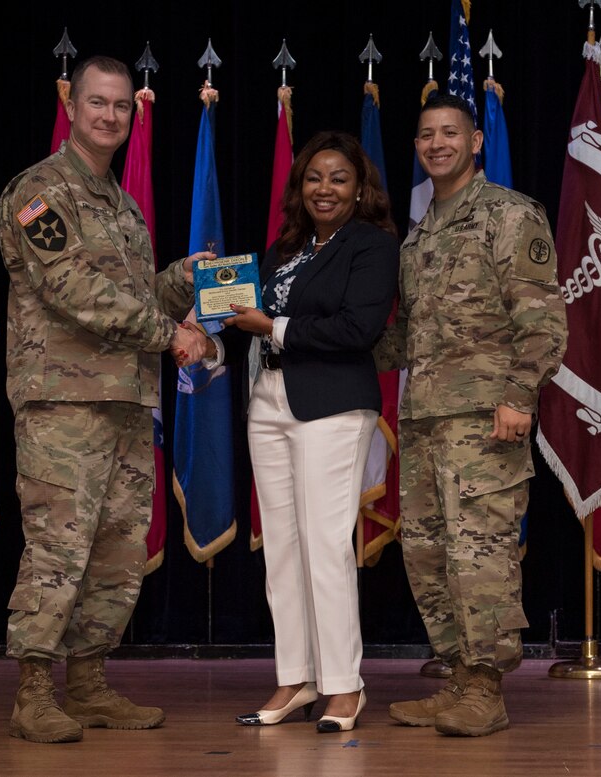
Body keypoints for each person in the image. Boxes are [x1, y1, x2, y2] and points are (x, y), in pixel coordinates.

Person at [0, 54, 210, 744]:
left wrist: (185, 279)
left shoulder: (122, 206)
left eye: (122, 106)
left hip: (122, 402)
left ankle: (86, 682)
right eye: (99, 103)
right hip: (63, 403)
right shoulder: (38, 194)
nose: (111, 116)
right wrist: (168, 332)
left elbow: (133, 294)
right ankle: (34, 690)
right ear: (72, 104)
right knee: (58, 547)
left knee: (117, 551)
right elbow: (75, 292)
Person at [375, 95, 567, 737]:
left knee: (479, 554)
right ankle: (458, 679)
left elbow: (543, 322)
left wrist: (518, 397)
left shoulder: (510, 216)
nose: (437, 144)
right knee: (428, 555)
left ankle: (485, 689)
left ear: (476, 140)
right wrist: (315, 335)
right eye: (426, 134)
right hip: (425, 420)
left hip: (486, 421)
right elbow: (405, 337)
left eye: (450, 133)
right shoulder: (420, 233)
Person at [199, 130, 398, 733]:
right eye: (314, 177)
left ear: (360, 186)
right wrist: (207, 328)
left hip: (334, 405)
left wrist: (272, 325)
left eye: (338, 177)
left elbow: (354, 331)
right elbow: (242, 319)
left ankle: (343, 686)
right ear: (299, 187)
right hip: (269, 400)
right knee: (282, 547)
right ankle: (296, 677)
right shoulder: (284, 248)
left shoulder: (373, 247)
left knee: (325, 544)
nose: (325, 188)